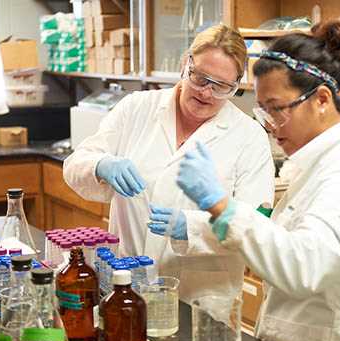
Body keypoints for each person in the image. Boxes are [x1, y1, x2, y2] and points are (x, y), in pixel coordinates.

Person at [150, 21, 340, 341]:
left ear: (322, 99)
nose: (271, 126)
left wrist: (220, 205)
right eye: (262, 112)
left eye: (277, 109)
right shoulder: (317, 164)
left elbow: (304, 267)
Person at [63, 24, 275, 302]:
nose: (207, 93)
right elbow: (75, 163)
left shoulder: (249, 137)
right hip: (126, 284)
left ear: (236, 86)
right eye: (200, 78)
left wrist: (192, 226)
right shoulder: (137, 108)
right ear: (185, 65)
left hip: (200, 298)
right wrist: (101, 164)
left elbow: (253, 225)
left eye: (222, 86)